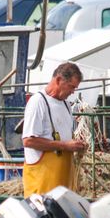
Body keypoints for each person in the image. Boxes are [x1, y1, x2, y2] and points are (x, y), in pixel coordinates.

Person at [22, 62, 86, 198]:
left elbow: (66, 139)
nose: (73, 91)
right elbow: (28, 141)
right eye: (71, 87)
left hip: (63, 185)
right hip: (41, 188)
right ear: (58, 80)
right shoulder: (38, 102)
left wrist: (76, 144)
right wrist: (65, 145)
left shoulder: (66, 105)